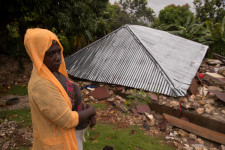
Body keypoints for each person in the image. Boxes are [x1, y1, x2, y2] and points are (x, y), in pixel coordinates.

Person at [24, 28, 96, 150]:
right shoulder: (41, 85)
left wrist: (87, 111)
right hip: (58, 144)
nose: (58, 58)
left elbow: (69, 100)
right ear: (38, 54)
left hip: (72, 135)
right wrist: (91, 111)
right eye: (50, 53)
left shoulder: (55, 73)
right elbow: (67, 120)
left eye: (59, 51)